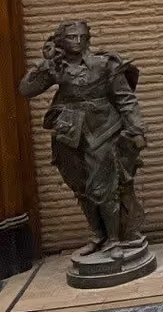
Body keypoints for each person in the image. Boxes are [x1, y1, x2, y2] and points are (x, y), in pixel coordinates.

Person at [18, 19, 152, 280]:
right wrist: (45, 64)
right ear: (61, 41)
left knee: (103, 188)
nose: (77, 42)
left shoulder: (104, 64)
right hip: (69, 132)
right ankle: (98, 235)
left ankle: (115, 239)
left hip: (103, 129)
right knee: (80, 187)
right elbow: (26, 90)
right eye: (70, 38)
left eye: (81, 37)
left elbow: (125, 99)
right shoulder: (57, 67)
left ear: (88, 38)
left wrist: (137, 130)